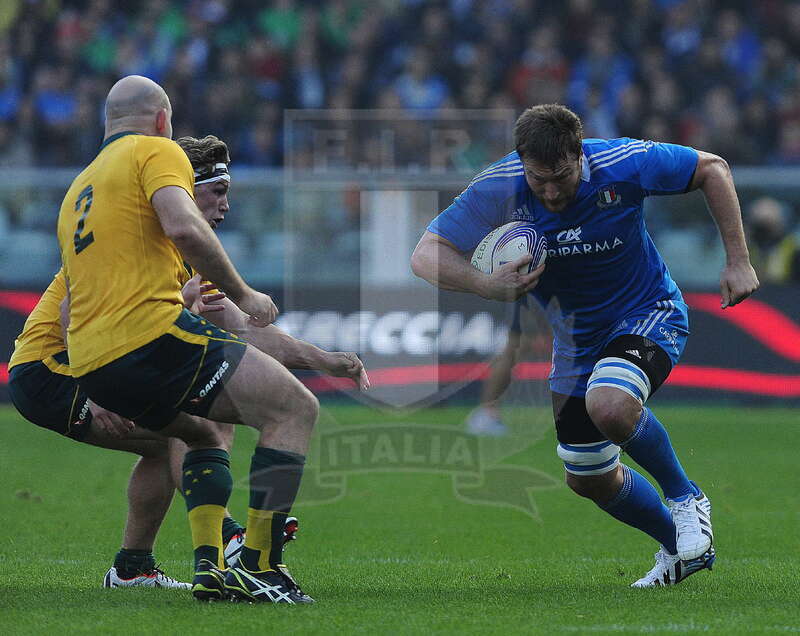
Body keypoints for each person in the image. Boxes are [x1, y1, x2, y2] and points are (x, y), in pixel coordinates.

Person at [411, 104, 759, 587]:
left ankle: (686, 497)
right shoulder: (500, 185)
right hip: (575, 343)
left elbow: (712, 168)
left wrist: (738, 260)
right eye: (538, 180)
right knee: (588, 476)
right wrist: (484, 284)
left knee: (611, 407)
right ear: (521, 163)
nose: (551, 193)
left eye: (561, 177)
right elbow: (425, 254)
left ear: (580, 154)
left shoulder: (623, 162)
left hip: (646, 311)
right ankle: (681, 549)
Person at [8, 131, 368, 591]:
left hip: (86, 365)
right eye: (217, 191)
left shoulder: (186, 254)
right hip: (54, 369)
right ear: (183, 187)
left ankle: (132, 569)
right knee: (197, 432)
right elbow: (69, 312)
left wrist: (329, 361)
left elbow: (246, 330)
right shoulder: (130, 240)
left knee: (173, 439)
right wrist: (95, 390)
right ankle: (232, 540)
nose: (226, 205)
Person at [55, 75, 330, 604]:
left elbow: (71, 301)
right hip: (148, 336)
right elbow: (184, 227)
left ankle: (210, 568)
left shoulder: (79, 188)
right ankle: (260, 565)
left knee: (202, 435)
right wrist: (244, 292)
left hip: (93, 359)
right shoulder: (156, 150)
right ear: (163, 119)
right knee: (293, 409)